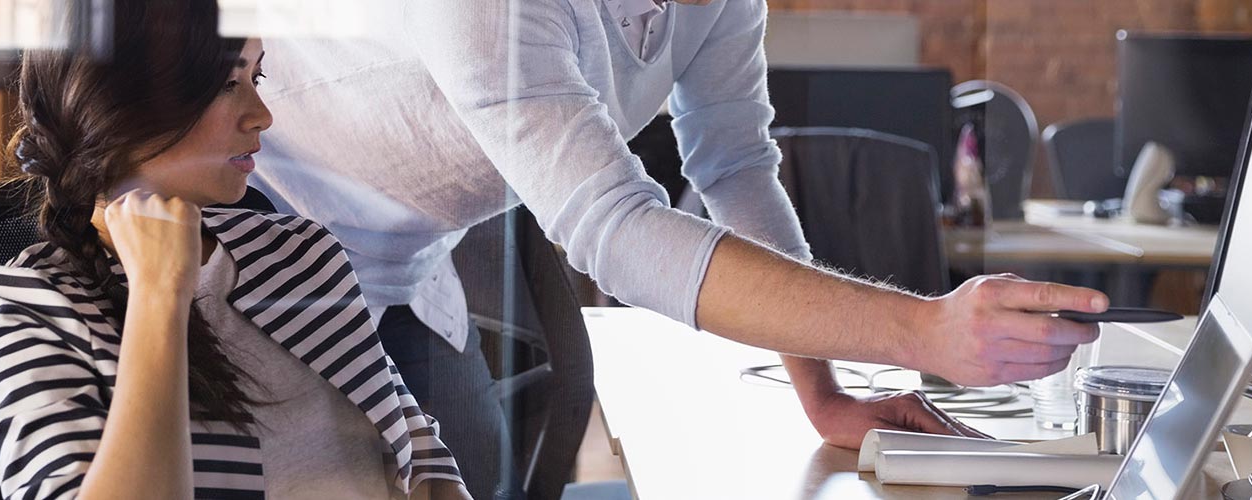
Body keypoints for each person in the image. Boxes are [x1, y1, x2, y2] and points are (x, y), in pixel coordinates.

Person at [250, 1, 1107, 498]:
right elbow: (614, 228)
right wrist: (923, 332)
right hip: (270, 233)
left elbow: (734, 164)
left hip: (419, 255)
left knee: (467, 478)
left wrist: (826, 394)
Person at [0, 2, 470, 498]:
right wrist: (161, 294)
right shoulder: (23, 309)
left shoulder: (300, 251)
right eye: (228, 84)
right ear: (117, 102)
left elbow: (416, 448)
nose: (262, 116)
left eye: (258, 79)